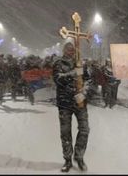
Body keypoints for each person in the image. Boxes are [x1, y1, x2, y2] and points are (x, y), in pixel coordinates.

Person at [53, 42, 89, 172]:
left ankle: (79, 157)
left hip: (80, 102)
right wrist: (73, 73)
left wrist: (84, 92)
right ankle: (67, 160)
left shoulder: (81, 63)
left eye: (72, 50)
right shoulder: (58, 64)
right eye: (68, 50)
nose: (71, 52)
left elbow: (89, 79)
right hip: (65, 103)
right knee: (65, 132)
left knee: (85, 130)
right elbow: (58, 80)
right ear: (64, 51)